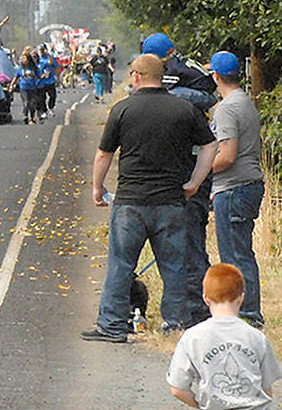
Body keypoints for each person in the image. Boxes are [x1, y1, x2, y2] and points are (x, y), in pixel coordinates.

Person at [83, 53, 217, 342]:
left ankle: (112, 325)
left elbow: (104, 154)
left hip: (131, 202)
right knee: (174, 267)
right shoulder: (184, 109)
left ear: (135, 76)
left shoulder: (122, 109)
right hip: (171, 201)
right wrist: (194, 181)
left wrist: (97, 187)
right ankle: (175, 324)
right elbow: (210, 146)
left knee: (120, 265)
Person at [167, 264, 282, 410]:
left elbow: (177, 389)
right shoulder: (255, 337)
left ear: (206, 299)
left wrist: (201, 405)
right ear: (241, 297)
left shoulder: (192, 337)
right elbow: (267, 391)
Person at [207, 51, 267, 328]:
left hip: (233, 188)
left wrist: (201, 174)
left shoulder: (228, 108)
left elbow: (227, 155)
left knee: (234, 255)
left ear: (215, 75)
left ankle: (248, 314)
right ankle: (249, 312)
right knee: (243, 251)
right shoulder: (244, 101)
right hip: (248, 185)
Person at [141, 33, 216, 111]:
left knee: (168, 94)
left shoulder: (172, 68)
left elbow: (163, 88)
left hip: (207, 95)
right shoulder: (176, 60)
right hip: (203, 90)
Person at [13, 47, 42, 124]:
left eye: (25, 58)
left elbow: (39, 76)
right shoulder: (21, 68)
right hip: (23, 88)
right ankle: (25, 116)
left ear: (28, 59)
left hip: (32, 88)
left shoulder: (34, 68)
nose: (23, 60)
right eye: (23, 59)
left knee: (32, 103)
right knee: (26, 102)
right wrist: (11, 86)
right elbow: (16, 77)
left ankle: (32, 118)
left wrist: (41, 78)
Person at [37, 45, 59, 115]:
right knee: (42, 97)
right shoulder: (38, 59)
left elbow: (55, 66)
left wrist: (57, 77)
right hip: (41, 82)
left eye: (42, 50)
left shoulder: (50, 58)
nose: (41, 52)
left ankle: (51, 106)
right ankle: (44, 110)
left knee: (53, 96)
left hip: (50, 80)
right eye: (40, 50)